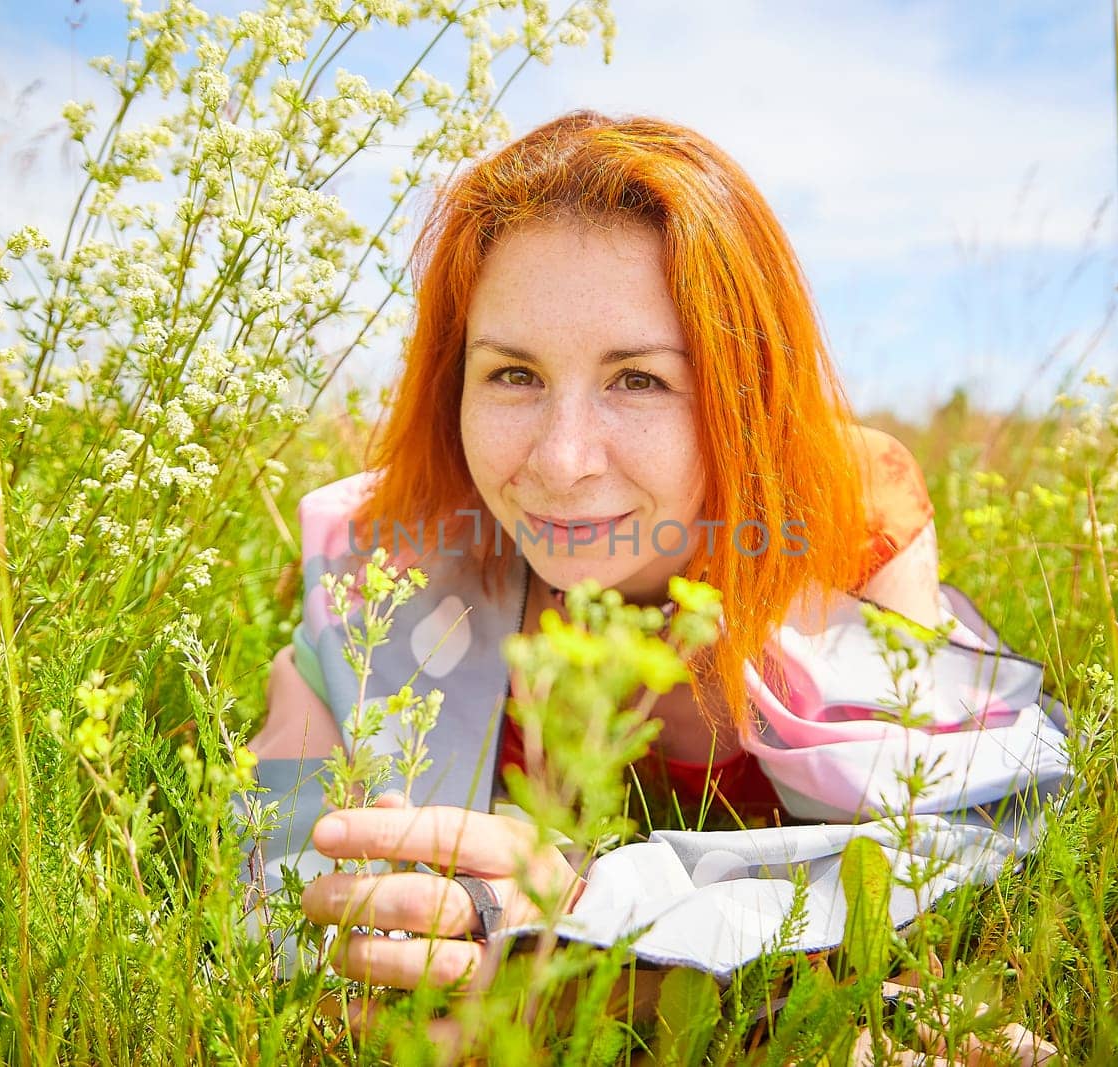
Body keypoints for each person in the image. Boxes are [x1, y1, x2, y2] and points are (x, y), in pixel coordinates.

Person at [240, 111, 1067, 1057]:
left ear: (740, 389)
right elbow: (288, 910)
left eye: (637, 380)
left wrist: (595, 942)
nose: (561, 460)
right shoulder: (383, 575)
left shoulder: (846, 526)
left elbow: (949, 848)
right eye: (512, 374)